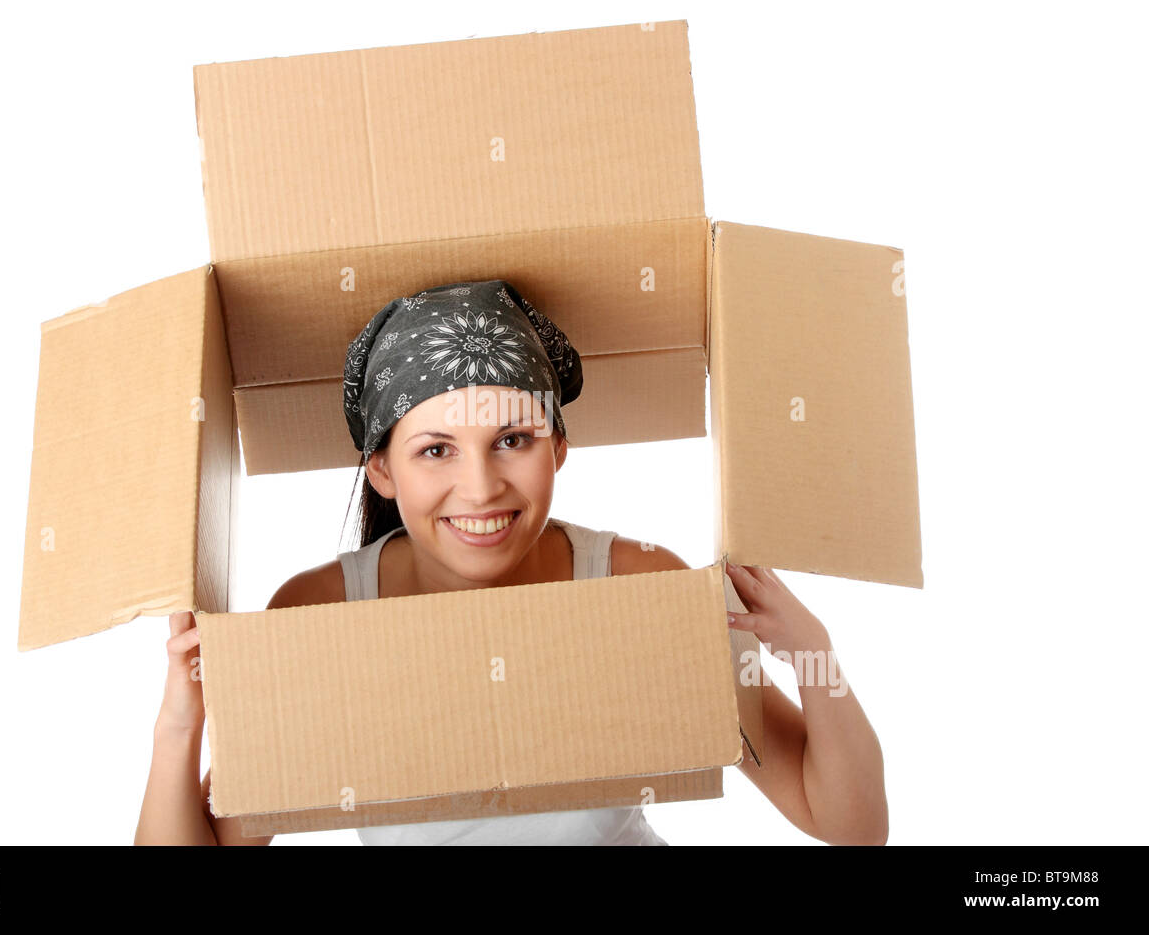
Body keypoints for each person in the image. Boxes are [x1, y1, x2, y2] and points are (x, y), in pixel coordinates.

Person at [135, 280, 889, 845]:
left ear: (559, 446)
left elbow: (848, 824)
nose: (482, 487)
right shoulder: (321, 614)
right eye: (436, 451)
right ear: (383, 472)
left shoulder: (639, 585)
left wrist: (814, 657)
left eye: (514, 440)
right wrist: (181, 722)